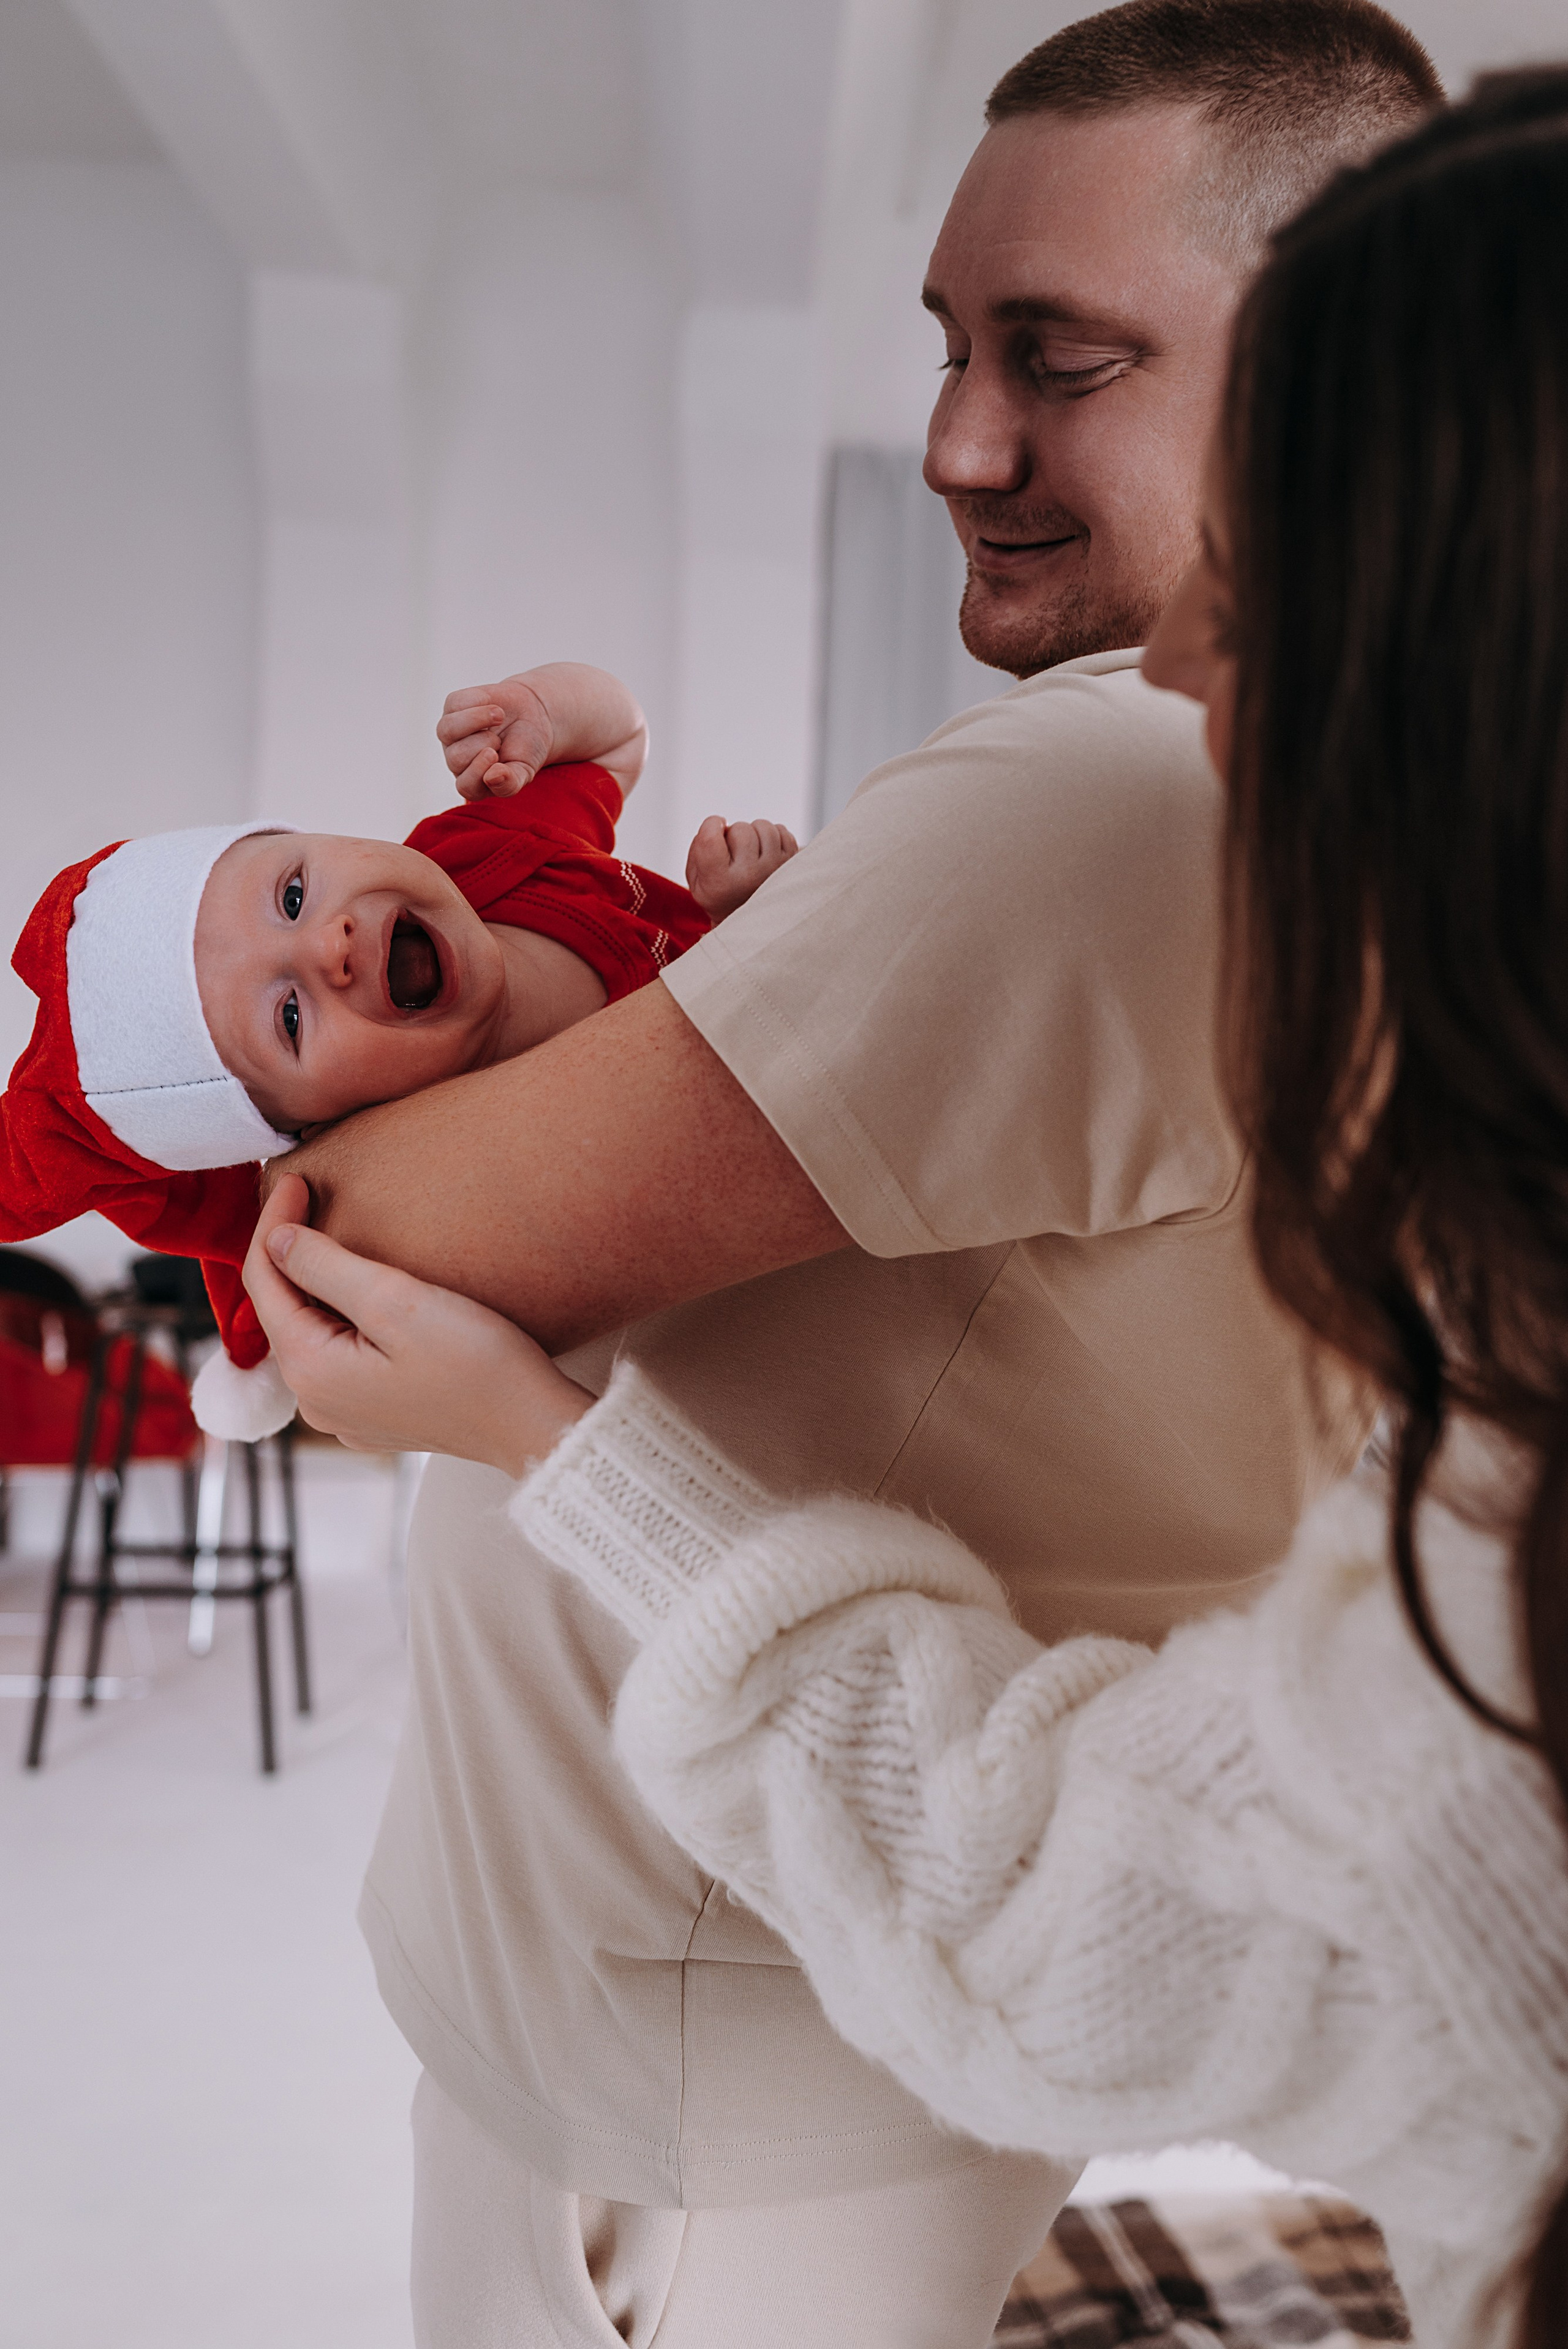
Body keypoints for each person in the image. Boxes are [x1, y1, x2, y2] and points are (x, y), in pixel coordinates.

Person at [248, 68, 1568, 2349]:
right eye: (949, 347)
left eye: (1063, 356)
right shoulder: (1196, 815)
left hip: (757, 2016)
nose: (962, 441)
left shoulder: (1103, 787)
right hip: (673, 1969)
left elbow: (354, 1244)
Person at [0, 661, 793, 1437]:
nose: (327, 948)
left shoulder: (488, 855)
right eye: (289, 1019)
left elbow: (615, 739)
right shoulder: (441, 1160)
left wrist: (542, 712)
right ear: (314, 1127)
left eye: (293, 896)